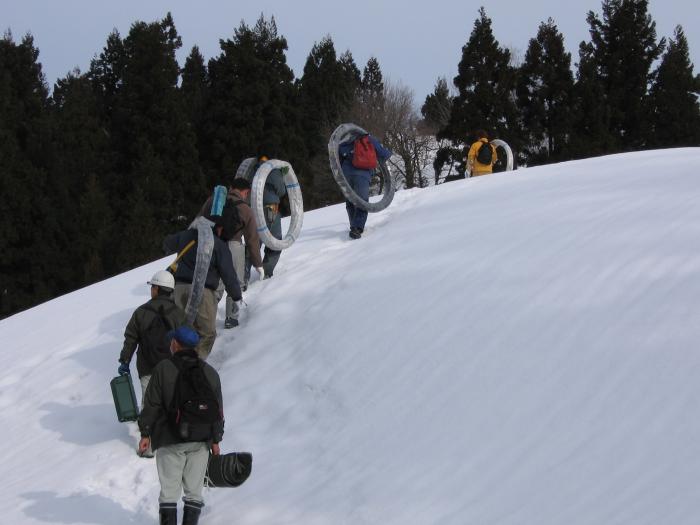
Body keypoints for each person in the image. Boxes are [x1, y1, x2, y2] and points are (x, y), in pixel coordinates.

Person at [138, 325, 224, 525]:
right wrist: (216, 440)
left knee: (169, 493)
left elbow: (151, 404)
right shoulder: (210, 372)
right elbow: (218, 409)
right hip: (201, 440)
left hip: (170, 439)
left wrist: (145, 433)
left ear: (175, 344)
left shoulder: (163, 369)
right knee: (194, 493)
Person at [118, 270, 186, 457]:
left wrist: (125, 360)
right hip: (171, 368)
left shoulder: (141, 312)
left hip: (147, 366)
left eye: (152, 287)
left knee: (149, 403)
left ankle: (148, 446)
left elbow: (130, 338)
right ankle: (174, 443)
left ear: (156, 289)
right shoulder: (178, 314)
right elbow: (186, 340)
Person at [163, 218, 241, 359]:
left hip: (179, 289)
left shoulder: (185, 236)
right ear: (218, 228)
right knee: (207, 333)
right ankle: (194, 365)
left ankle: (177, 364)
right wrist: (236, 296)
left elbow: (167, 242)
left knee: (182, 330)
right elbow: (228, 273)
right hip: (204, 293)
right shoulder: (217, 244)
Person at [198, 178, 264, 329]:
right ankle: (231, 318)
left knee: (215, 284)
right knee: (235, 283)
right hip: (234, 247)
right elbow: (252, 239)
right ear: (245, 192)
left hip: (213, 245)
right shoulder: (245, 209)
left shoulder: (213, 201)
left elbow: (199, 220)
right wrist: (258, 264)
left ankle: (207, 318)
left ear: (231, 187)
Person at [338, 134, 392, 239]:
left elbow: (338, 160)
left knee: (350, 200)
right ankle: (357, 228)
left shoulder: (343, 143)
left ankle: (353, 225)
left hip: (346, 175)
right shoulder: (368, 138)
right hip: (362, 175)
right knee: (362, 202)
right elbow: (384, 154)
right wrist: (389, 152)